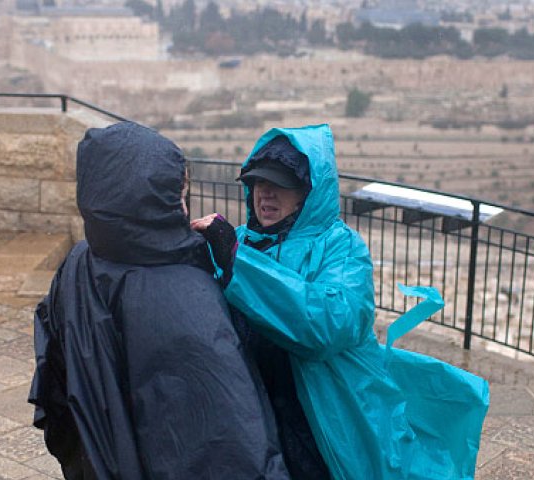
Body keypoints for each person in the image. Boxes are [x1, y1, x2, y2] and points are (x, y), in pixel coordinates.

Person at [192, 124, 490, 480]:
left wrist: (237, 263)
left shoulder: (342, 248)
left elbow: (329, 325)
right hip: (256, 408)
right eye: (259, 183)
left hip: (323, 417)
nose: (266, 194)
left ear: (308, 192)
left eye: (280, 185)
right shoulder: (241, 242)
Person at [28, 121, 289, 480]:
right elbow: (231, 438)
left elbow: (55, 371)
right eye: (176, 195)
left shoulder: (78, 263)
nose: (181, 208)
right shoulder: (185, 294)